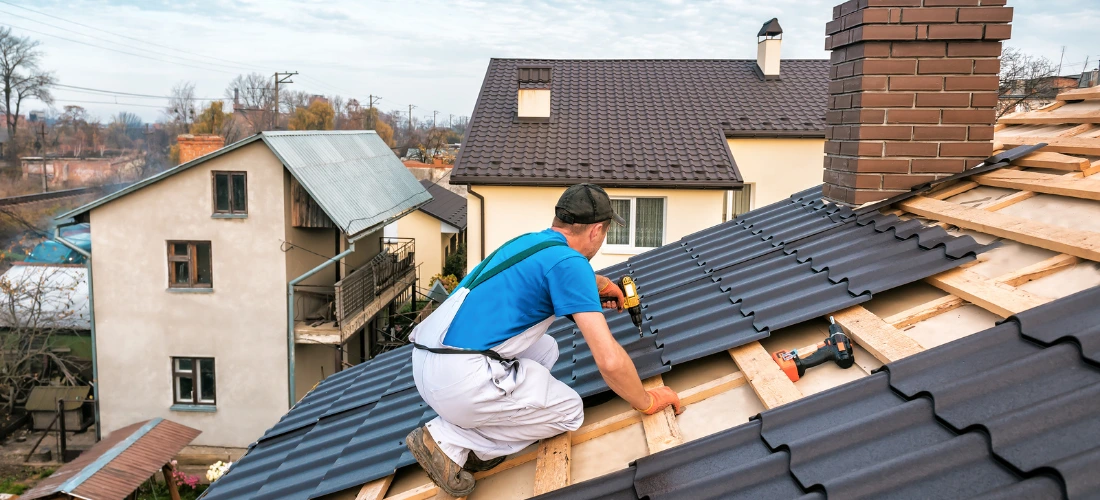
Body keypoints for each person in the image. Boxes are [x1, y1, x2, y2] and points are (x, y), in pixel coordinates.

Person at [405, 183, 685, 497]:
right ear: (595, 231)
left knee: (547, 347)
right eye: (605, 233)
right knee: (569, 411)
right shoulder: (571, 264)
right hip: (459, 380)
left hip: (428, 361)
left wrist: (601, 283)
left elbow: (556, 275)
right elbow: (608, 360)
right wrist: (648, 401)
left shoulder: (531, 243)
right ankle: (449, 441)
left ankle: (477, 431)